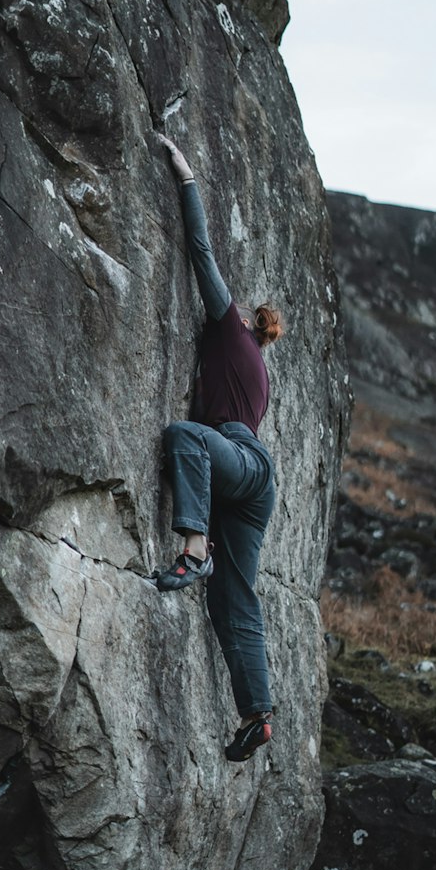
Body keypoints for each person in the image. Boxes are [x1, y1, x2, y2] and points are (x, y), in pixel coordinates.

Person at [155, 133, 284, 762]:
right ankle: (258, 715)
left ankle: (194, 549)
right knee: (236, 602)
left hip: (240, 461)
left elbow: (201, 251)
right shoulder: (254, 365)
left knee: (185, 437)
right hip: (251, 484)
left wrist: (186, 178)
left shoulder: (231, 332)